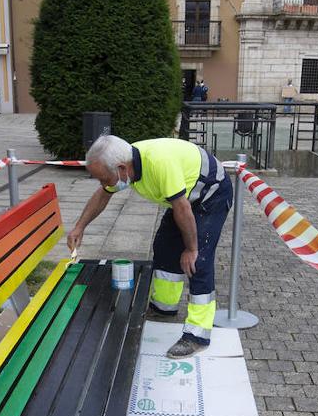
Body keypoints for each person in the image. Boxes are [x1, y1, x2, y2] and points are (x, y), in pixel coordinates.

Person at [67, 135, 231, 359]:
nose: (103, 184)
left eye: (104, 178)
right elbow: (102, 196)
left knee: (198, 261)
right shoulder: (125, 164)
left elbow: (182, 208)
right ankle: (164, 307)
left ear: (122, 168)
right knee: (164, 248)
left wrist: (191, 249)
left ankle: (197, 335)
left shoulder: (159, 164)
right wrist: (79, 227)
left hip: (211, 194)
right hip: (183, 199)